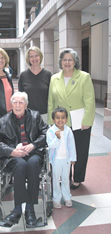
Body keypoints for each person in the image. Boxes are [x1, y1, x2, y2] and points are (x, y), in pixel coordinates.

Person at [0, 91, 49, 227]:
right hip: (14, 157)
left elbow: (46, 132)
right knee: (20, 165)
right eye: (15, 103)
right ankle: (17, 210)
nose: (17, 105)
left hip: (33, 153)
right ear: (11, 104)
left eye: (21, 102)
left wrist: (33, 145)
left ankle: (29, 209)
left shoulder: (35, 116)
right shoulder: (4, 120)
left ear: (26, 104)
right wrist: (11, 151)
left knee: (34, 163)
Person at [48, 48, 95, 190]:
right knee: (63, 151)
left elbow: (90, 100)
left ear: (75, 62)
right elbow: (51, 101)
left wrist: (87, 121)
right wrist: (52, 123)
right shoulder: (54, 78)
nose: (67, 62)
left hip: (79, 122)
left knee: (80, 151)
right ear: (60, 62)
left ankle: (78, 178)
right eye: (64, 60)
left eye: (70, 59)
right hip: (61, 122)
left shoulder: (84, 77)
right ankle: (65, 176)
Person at [46, 107, 76, 209]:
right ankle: (56, 199)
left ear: (66, 119)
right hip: (55, 161)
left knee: (65, 179)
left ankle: (67, 197)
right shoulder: (51, 131)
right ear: (53, 119)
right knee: (55, 180)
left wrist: (73, 158)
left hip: (66, 160)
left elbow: (72, 145)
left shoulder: (68, 131)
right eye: (57, 118)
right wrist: (57, 138)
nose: (60, 120)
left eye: (63, 117)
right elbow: (51, 145)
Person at [18, 46, 52, 123]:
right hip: (29, 115)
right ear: (28, 59)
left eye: (36, 55)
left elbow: (51, 96)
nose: (34, 59)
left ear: (40, 56)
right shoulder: (23, 75)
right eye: (31, 56)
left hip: (45, 115)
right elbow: (21, 97)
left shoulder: (48, 75)